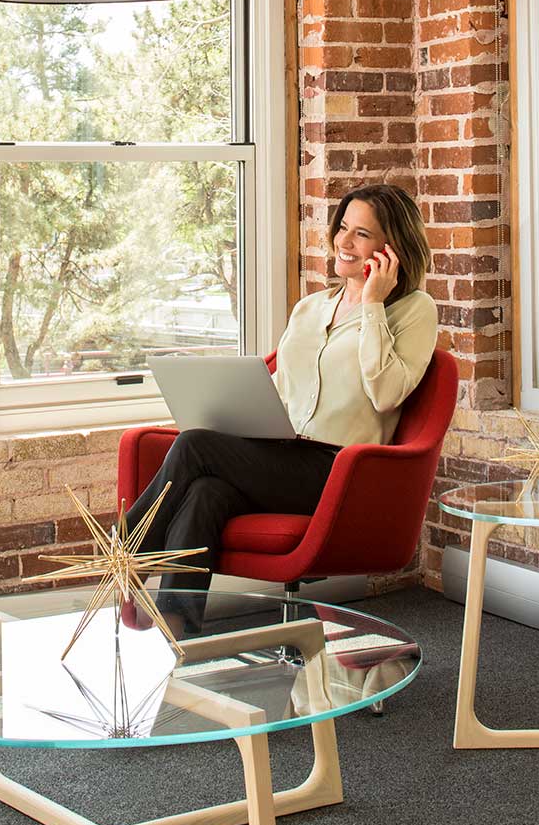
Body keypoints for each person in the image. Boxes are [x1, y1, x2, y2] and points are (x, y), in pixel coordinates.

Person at [124, 183, 439, 632]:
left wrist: (372, 304)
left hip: (340, 472)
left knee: (195, 447)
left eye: (362, 235)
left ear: (392, 249)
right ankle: (180, 632)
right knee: (205, 494)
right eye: (343, 228)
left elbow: (387, 393)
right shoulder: (311, 307)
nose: (344, 243)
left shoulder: (414, 311)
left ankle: (124, 556)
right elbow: (281, 386)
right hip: (281, 455)